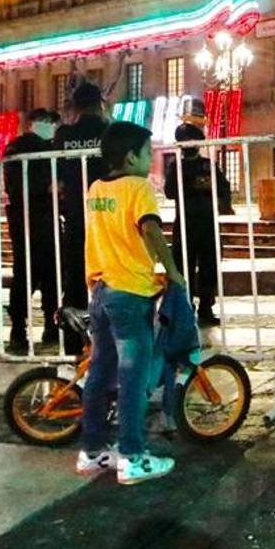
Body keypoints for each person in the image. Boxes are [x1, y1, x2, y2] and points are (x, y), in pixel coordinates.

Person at [76, 121, 186, 485]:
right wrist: (172, 271)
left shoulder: (95, 189)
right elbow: (151, 230)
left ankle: (91, 451)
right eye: (146, 152)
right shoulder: (139, 188)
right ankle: (134, 456)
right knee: (132, 379)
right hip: (130, 293)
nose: (150, 159)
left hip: (101, 290)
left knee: (100, 371)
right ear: (130, 156)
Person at [162, 122, 233, 326]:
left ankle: (206, 307)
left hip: (207, 223)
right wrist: (192, 184)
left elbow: (223, 188)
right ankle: (185, 307)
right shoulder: (175, 166)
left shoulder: (207, 165)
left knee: (209, 267)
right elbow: (170, 192)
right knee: (183, 267)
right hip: (185, 224)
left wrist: (219, 197)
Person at [2, 109, 60, 354]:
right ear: (31, 124)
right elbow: (40, 184)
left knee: (30, 272)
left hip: (28, 216)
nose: (50, 126)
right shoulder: (35, 148)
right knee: (45, 271)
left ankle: (26, 327)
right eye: (46, 122)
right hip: (38, 215)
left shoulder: (15, 147)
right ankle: (40, 325)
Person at [54, 81, 108, 341]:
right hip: (107, 214)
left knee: (74, 276)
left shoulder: (64, 134)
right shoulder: (109, 131)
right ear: (99, 104)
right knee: (109, 277)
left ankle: (74, 341)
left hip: (75, 214)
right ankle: (107, 335)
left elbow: (58, 175)